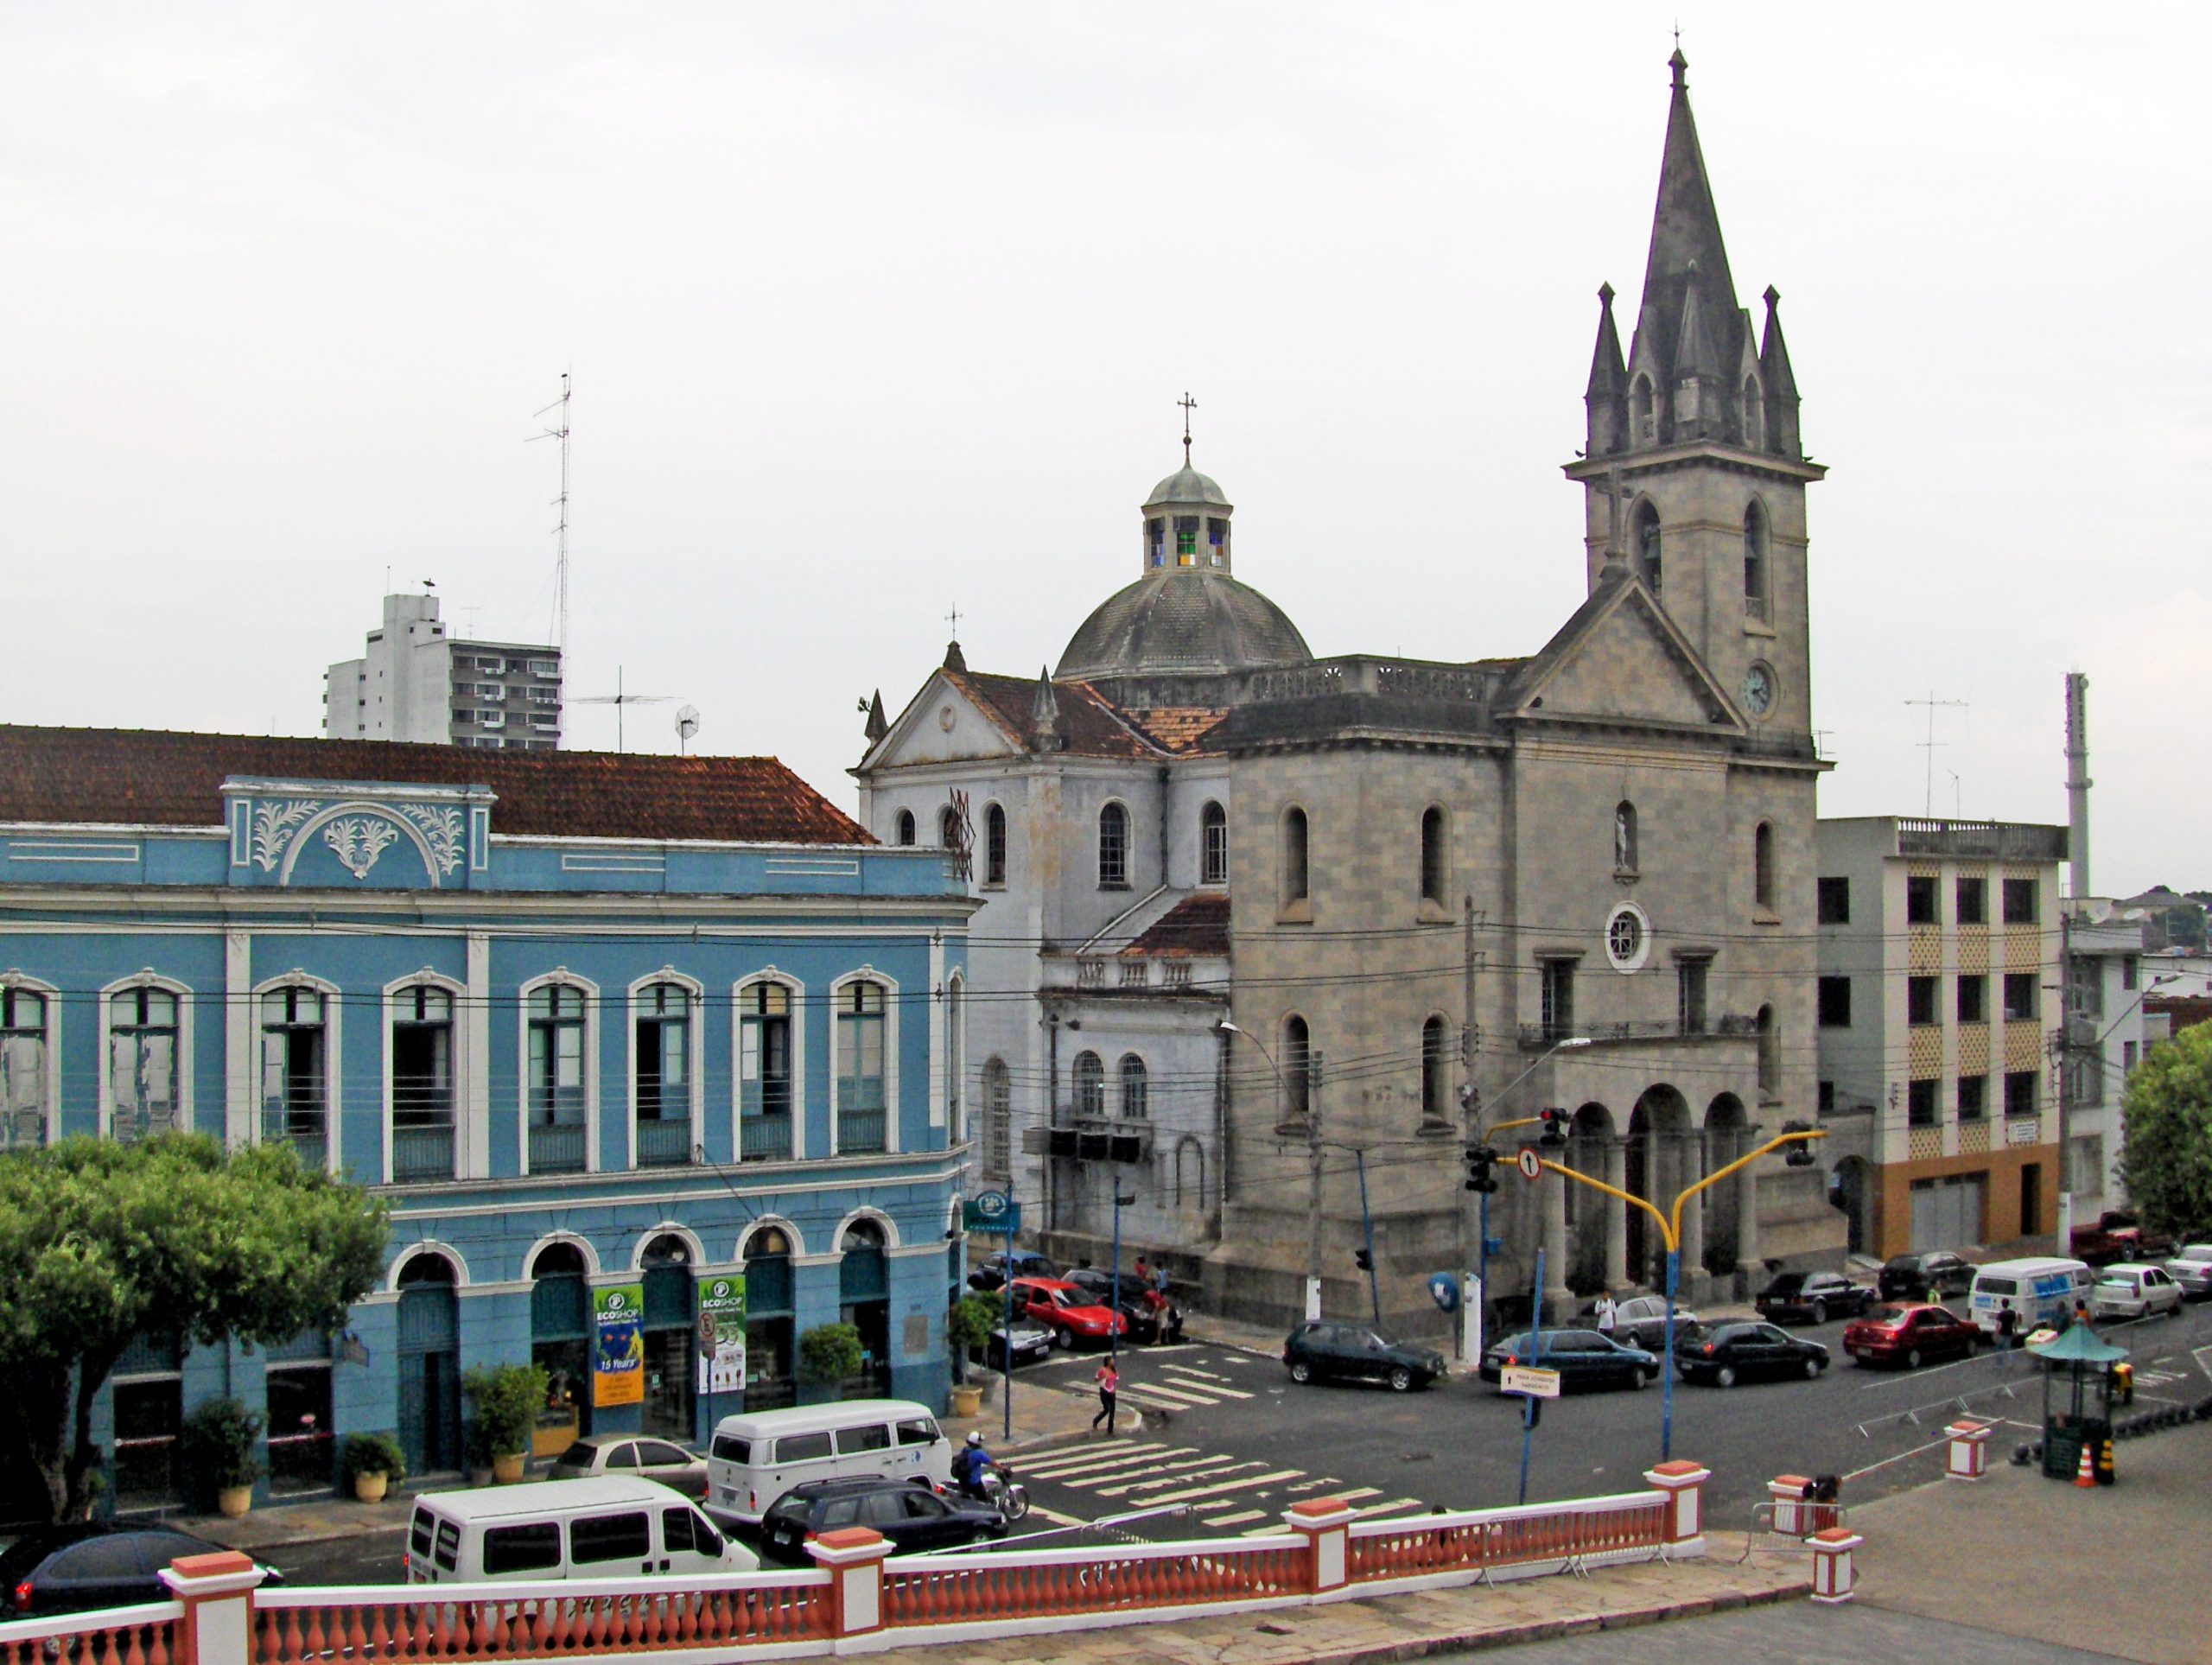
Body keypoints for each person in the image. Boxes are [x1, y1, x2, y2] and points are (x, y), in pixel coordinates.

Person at [953, 1430, 994, 1497]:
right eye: (980, 1441)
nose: (981, 1443)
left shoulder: (965, 1450)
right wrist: (1003, 1468)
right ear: (976, 1442)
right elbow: (991, 1462)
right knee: (984, 1499)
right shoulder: (978, 1453)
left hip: (963, 1482)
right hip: (974, 1483)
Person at [1091, 1358, 1120, 1435]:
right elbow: (1095, 1379)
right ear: (1107, 1362)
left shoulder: (1114, 1371)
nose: (1113, 1362)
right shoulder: (1102, 1370)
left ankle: (1110, 1430)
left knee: (1112, 1411)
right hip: (1104, 1392)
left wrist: (1114, 1388)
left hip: (1112, 1392)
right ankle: (1096, 1421)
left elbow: (1116, 1380)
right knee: (1107, 1409)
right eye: (1111, 1361)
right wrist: (1102, 1378)